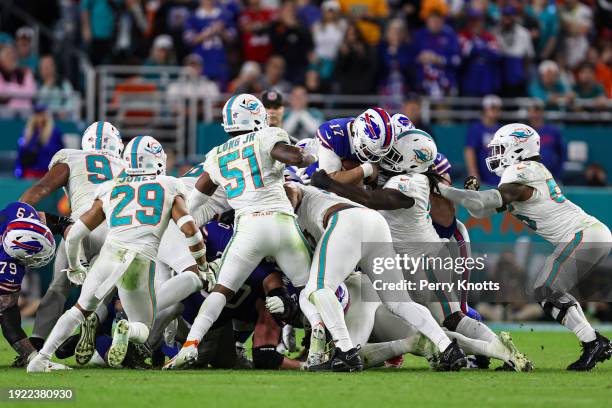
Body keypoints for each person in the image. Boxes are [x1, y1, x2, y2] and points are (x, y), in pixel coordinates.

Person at [312, 130, 532, 372]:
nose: (388, 156)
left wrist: (331, 183)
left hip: (426, 260)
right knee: (430, 320)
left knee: (452, 319)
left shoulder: (411, 182)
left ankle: (509, 354)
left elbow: (375, 200)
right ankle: (469, 352)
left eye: (396, 153)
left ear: (412, 160)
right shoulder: (406, 175)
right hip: (407, 260)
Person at [436, 123, 612, 371]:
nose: (495, 155)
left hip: (584, 234)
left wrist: (445, 190)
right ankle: (593, 341)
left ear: (518, 148)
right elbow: (481, 210)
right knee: (546, 292)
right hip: (589, 236)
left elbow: (488, 200)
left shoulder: (523, 169)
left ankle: (594, 342)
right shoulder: (523, 175)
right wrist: (468, 193)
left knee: (545, 287)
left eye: (500, 149)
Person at [27, 135, 211, 372]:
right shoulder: (169, 185)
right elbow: (191, 232)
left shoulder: (110, 188)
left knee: (79, 309)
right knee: (143, 326)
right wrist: (203, 265)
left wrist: (75, 265)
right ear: (156, 159)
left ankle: (40, 358)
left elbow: (74, 235)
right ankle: (122, 329)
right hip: (139, 261)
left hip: (108, 256)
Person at [164, 94, 317, 370]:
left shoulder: (216, 155)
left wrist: (184, 222)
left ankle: (190, 345)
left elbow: (197, 199)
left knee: (220, 291)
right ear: (258, 116)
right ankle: (322, 343)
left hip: (247, 228)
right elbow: (297, 157)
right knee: (311, 289)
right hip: (281, 222)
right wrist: (308, 155)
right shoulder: (266, 136)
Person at [285, 181, 468, 372]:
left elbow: (291, 190)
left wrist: (282, 215)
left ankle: (346, 352)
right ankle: (448, 348)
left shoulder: (277, 192)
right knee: (399, 302)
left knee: (317, 288)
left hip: (346, 220)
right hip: (372, 222)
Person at [20, 121, 126, 351]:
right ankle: (91, 325)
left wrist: (18, 211)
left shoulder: (72, 157)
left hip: (77, 227)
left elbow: (42, 188)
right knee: (99, 290)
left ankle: (36, 341)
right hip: (114, 230)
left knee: (58, 288)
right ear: (117, 145)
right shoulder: (125, 167)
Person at [0, 205, 61, 369]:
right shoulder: (8, 269)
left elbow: (42, 218)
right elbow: (8, 319)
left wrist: (66, 224)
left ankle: (31, 357)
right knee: (6, 309)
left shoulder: (16, 212)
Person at [315, 107, 395, 185]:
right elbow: (327, 180)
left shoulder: (379, 145)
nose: (372, 155)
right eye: (368, 150)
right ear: (357, 134)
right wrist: (366, 169)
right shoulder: (334, 134)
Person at [183, 0, 236, 87]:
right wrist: (209, 32)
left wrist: (221, 31)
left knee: (220, 93)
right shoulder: (192, 16)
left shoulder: (225, 15)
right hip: (200, 60)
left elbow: (232, 38)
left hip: (220, 60)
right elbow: (189, 40)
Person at [412, 9, 461, 97]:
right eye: (432, 21)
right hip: (422, 84)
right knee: (423, 109)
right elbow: (410, 57)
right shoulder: (419, 35)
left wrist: (439, 59)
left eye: (437, 21)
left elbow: (457, 60)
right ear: (427, 22)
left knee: (443, 110)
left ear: (442, 22)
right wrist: (420, 58)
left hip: (445, 84)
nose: (434, 24)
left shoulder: (450, 36)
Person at [458, 9, 501, 97]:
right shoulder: (462, 35)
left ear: (482, 21)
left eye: (478, 20)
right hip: (468, 82)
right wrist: (484, 48)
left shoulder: (489, 36)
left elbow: (496, 55)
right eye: (472, 20)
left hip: (486, 83)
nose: (475, 24)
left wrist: (475, 47)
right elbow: (466, 52)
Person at [493, 6, 534, 97]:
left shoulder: (523, 33)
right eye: (505, 15)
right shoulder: (495, 32)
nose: (507, 18)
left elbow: (529, 56)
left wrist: (525, 74)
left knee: (515, 102)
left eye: (510, 16)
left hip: (517, 70)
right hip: (500, 71)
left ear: (514, 17)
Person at [15, 104, 64, 179]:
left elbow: (59, 153)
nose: (39, 118)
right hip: (30, 172)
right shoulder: (27, 133)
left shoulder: (54, 132)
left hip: (47, 172)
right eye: (37, 115)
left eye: (42, 114)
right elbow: (21, 154)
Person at [270, 1, 313, 84]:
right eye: (287, 10)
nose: (290, 13)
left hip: (299, 66)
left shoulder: (301, 26)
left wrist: (294, 27)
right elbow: (275, 42)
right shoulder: (276, 26)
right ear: (282, 11)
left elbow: (308, 42)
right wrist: (286, 26)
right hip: (281, 67)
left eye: (292, 10)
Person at [464, 95, 503, 185]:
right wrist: (473, 172)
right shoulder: (476, 128)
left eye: (498, 108)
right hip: (483, 177)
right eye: (492, 108)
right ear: (484, 109)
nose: (495, 111)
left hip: (499, 176)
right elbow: (470, 151)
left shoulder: (502, 129)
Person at [526, 99, 564, 180]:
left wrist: (557, 175)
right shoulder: (523, 132)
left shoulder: (553, 131)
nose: (536, 114)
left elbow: (562, 153)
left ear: (542, 112)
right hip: (529, 178)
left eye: (538, 110)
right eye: (533, 111)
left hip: (550, 176)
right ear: (528, 113)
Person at [334, 23, 377, 94]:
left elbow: (371, 66)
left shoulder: (366, 48)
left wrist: (362, 55)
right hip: (346, 89)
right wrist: (344, 55)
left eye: (353, 34)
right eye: (349, 34)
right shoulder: (343, 49)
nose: (351, 37)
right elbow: (339, 69)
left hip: (363, 88)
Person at [311, 1, 346, 82]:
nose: (330, 13)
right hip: (319, 59)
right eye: (328, 10)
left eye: (332, 10)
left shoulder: (342, 25)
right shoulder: (316, 26)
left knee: (326, 76)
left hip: (334, 60)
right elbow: (313, 44)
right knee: (312, 77)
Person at [0, 44, 36, 112]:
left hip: (25, 113)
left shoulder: (24, 73)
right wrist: (19, 89)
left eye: (13, 56)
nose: (12, 58)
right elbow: (2, 94)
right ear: (1, 61)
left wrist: (10, 90)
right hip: (4, 116)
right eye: (8, 55)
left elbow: (31, 93)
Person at [239, 0, 277, 64]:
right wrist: (263, 25)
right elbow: (246, 28)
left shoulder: (269, 12)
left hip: (268, 57)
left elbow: (274, 25)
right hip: (251, 57)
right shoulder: (245, 14)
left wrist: (255, 26)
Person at [81, 0, 116, 65]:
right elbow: (84, 8)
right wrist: (86, 28)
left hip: (110, 33)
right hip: (95, 33)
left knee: (107, 62)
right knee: (93, 62)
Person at [559, 0, 592, 69]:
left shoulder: (585, 10)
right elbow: (561, 26)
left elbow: (584, 29)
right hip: (565, 42)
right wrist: (573, 26)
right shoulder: (562, 9)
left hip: (579, 43)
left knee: (578, 66)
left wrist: (568, 25)